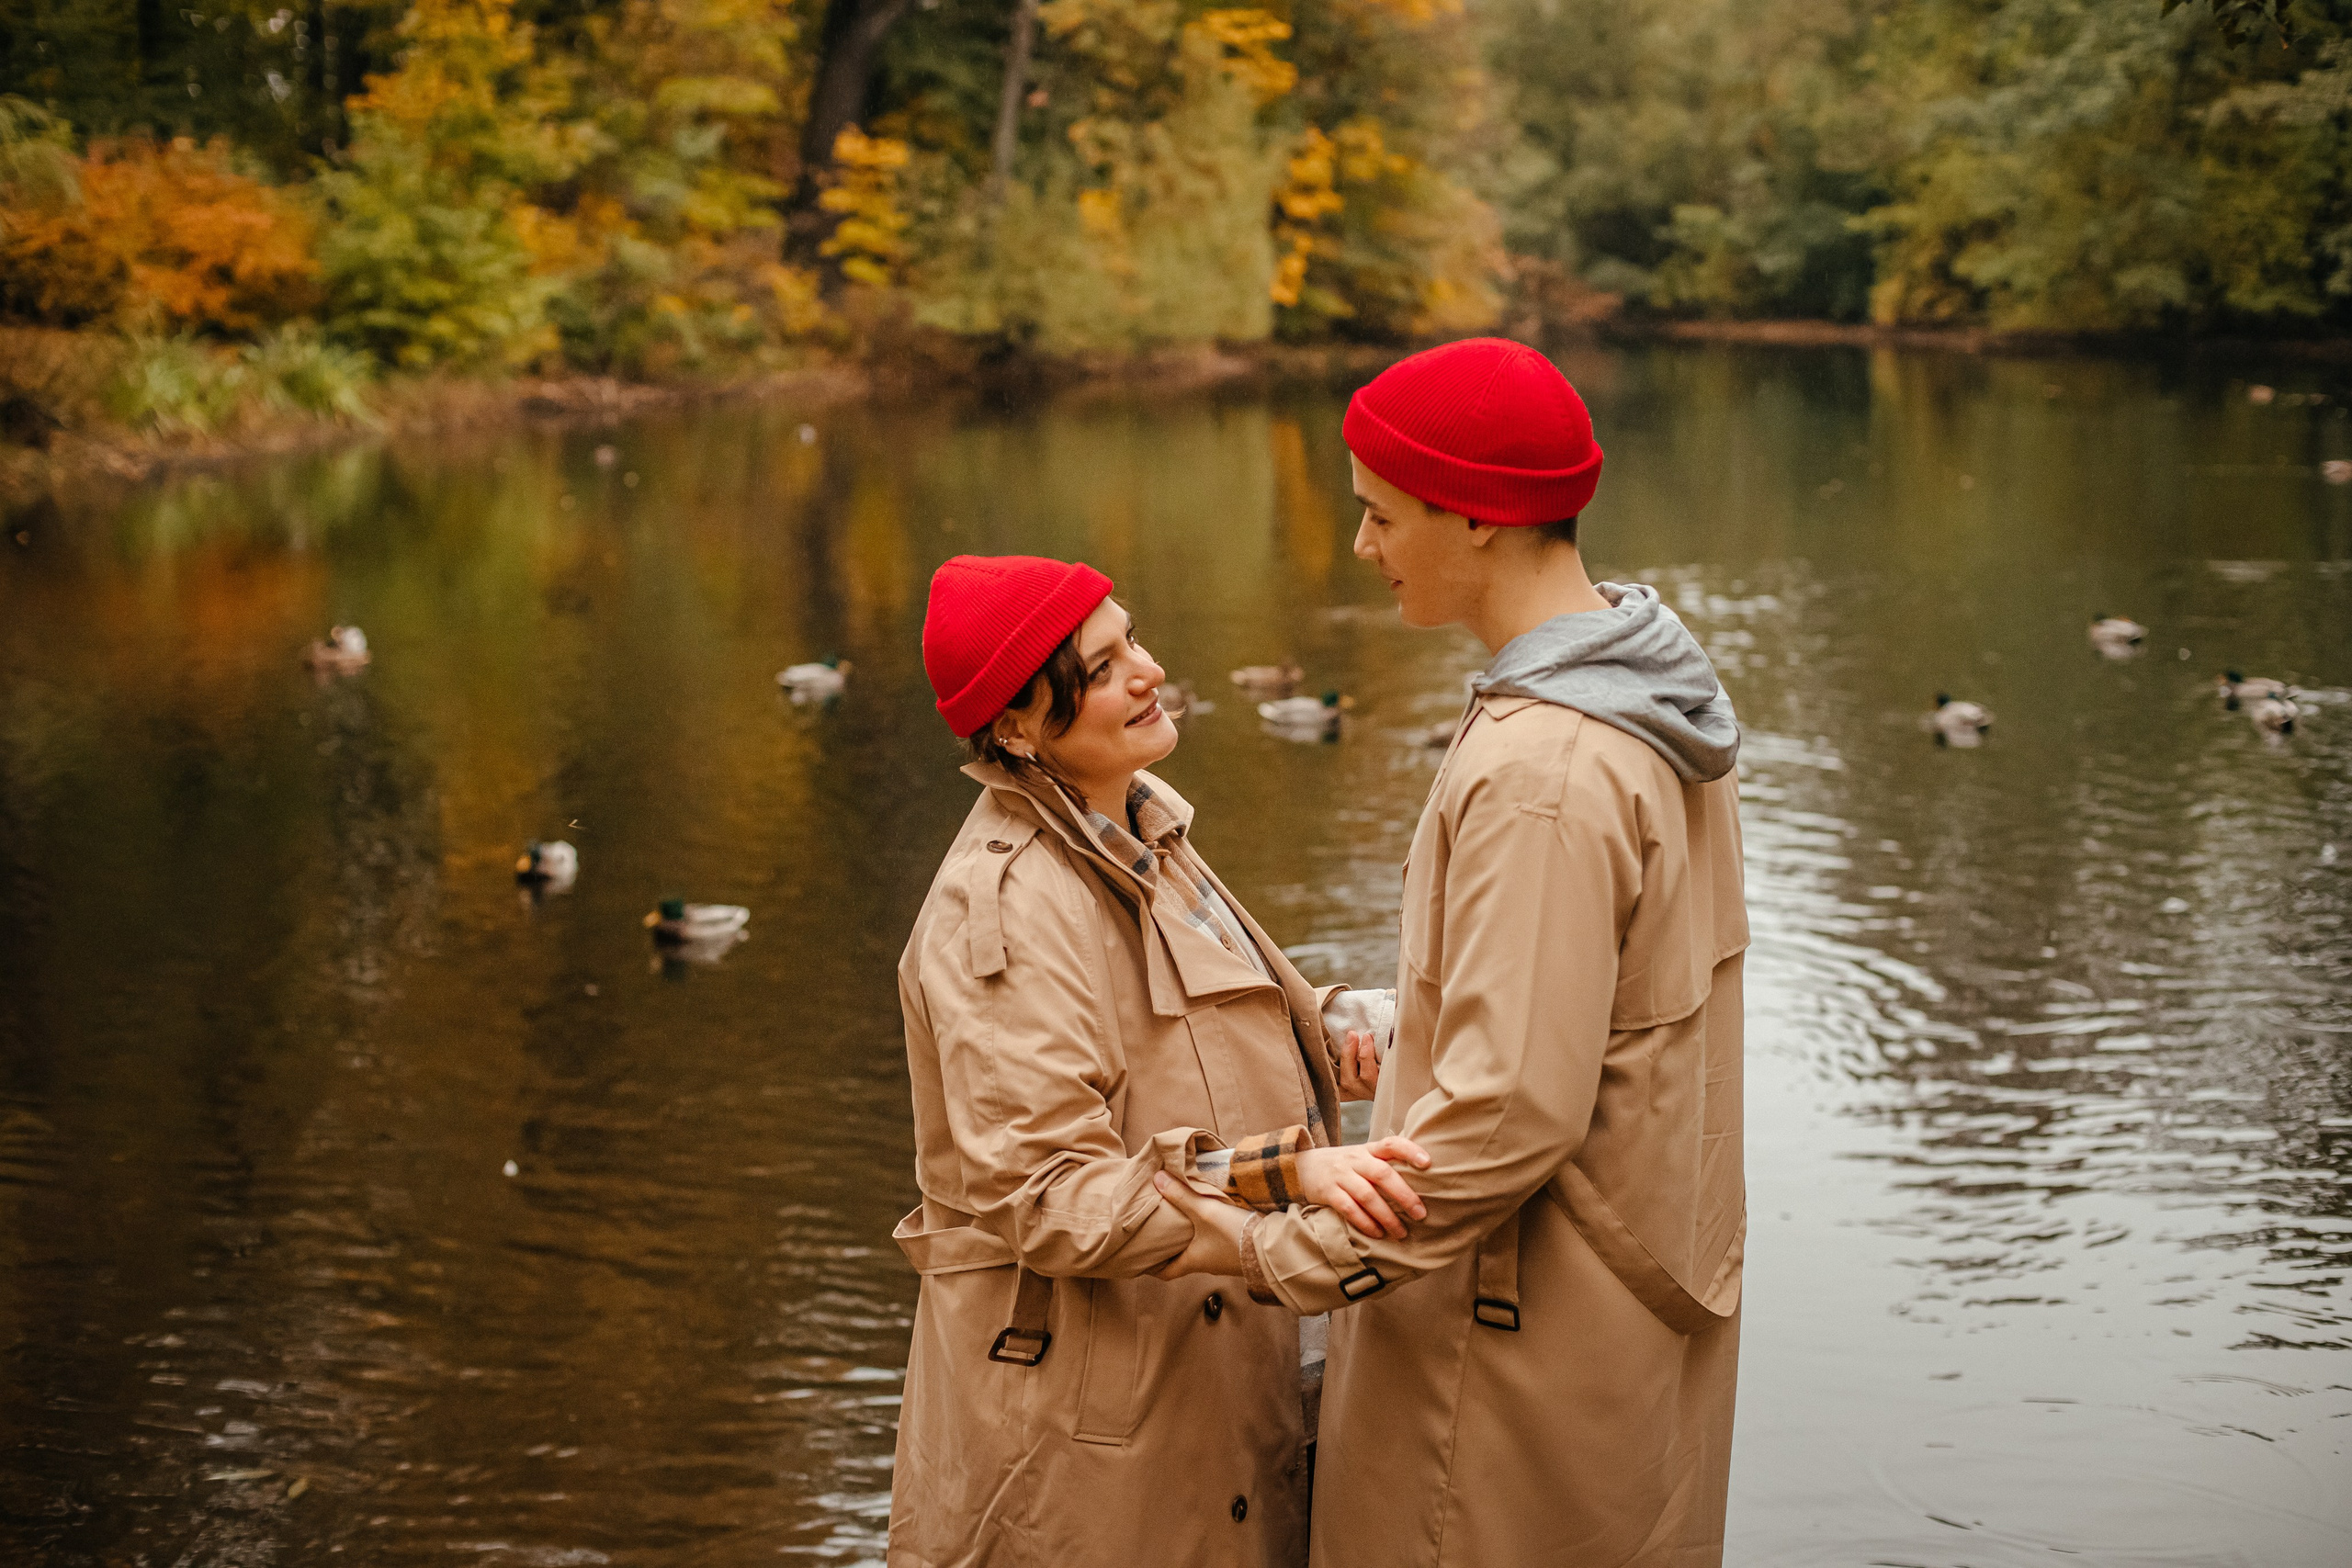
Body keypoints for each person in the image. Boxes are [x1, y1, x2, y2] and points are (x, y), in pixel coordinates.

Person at [1153, 339, 1749, 1567]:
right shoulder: (1644, 694)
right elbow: (1610, 1010)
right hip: (1616, 1313)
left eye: (1381, 514)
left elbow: (1508, 1116)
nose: (1360, 546)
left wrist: (1277, 1252)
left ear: (1477, 515)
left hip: (1507, 1347)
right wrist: (1414, 1021)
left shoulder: (1544, 766)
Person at [888, 553, 1431, 1567]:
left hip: (1222, 1374)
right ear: (1016, 728)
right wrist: (1289, 1176)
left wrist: (1354, 1035)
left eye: (1130, 639)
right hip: (1095, 1441)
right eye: (1101, 668)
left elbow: (1201, 1029)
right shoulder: (1002, 908)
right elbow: (1049, 1192)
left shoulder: (1135, 823)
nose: (1148, 671)